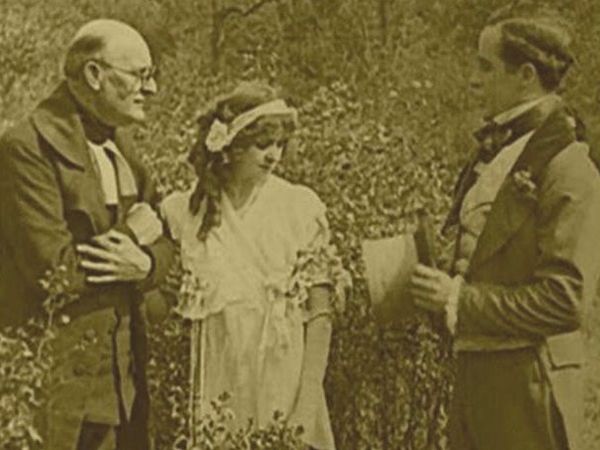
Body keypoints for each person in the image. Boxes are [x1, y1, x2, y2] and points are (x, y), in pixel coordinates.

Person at [409, 6, 600, 450]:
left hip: (530, 387)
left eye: (486, 67)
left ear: (526, 76)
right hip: (478, 384)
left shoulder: (569, 168)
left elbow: (564, 301)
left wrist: (458, 299)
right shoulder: (497, 152)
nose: (473, 81)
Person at [0, 19, 174, 450]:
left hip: (120, 388)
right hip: (50, 390)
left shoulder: (124, 150)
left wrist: (147, 265)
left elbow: (168, 244)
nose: (151, 89)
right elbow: (54, 271)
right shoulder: (26, 148)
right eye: (140, 75)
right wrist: (133, 236)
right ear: (95, 74)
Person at [160, 82, 350, 450]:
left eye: (280, 144)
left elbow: (320, 314)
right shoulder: (187, 211)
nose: (273, 155)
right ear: (230, 147)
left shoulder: (297, 207)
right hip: (221, 386)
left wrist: (306, 406)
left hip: (285, 382)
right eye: (262, 145)